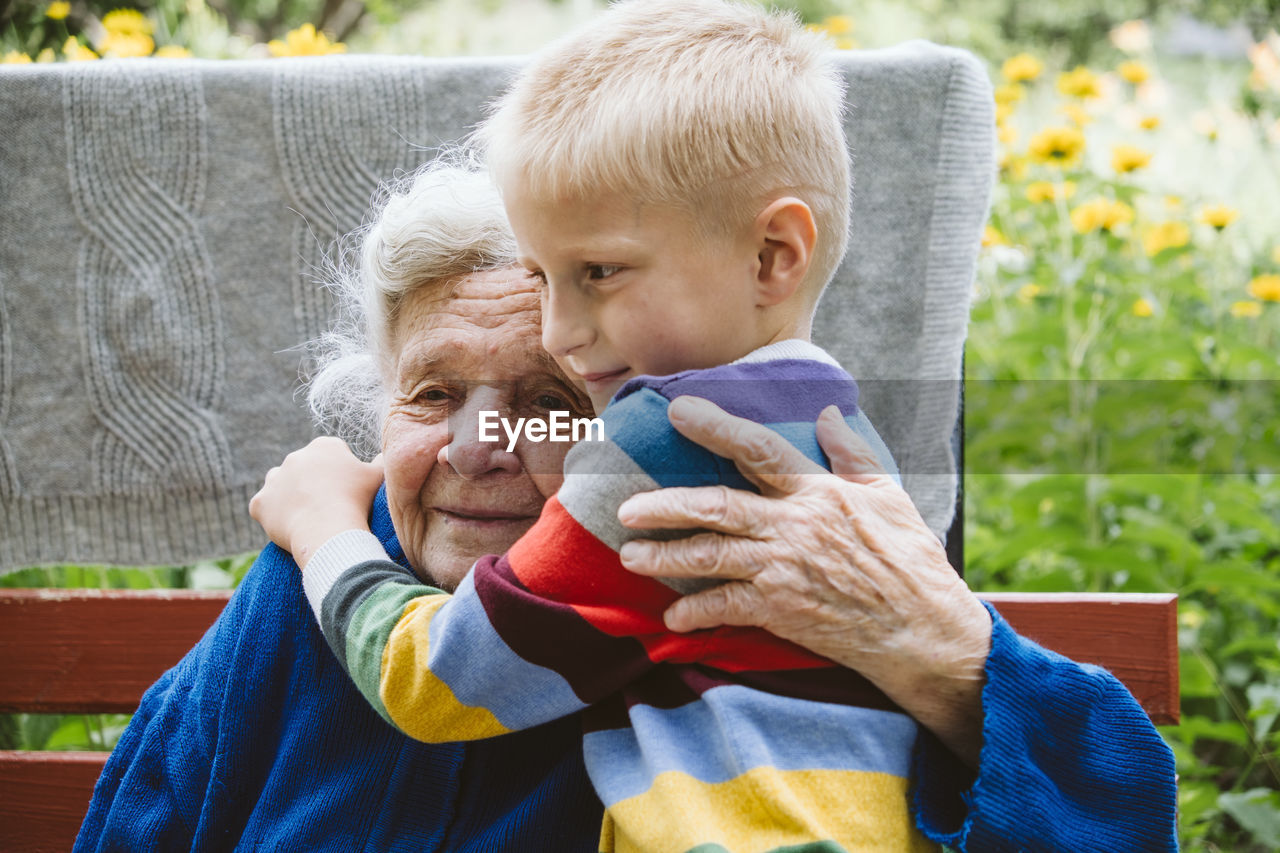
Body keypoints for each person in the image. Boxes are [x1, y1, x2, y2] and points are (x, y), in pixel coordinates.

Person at [248, 3, 1176, 852]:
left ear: (775, 256)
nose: (565, 333)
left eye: (551, 400)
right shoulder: (827, 426)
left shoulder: (707, 474)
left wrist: (324, 531)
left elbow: (435, 681)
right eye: (431, 393)